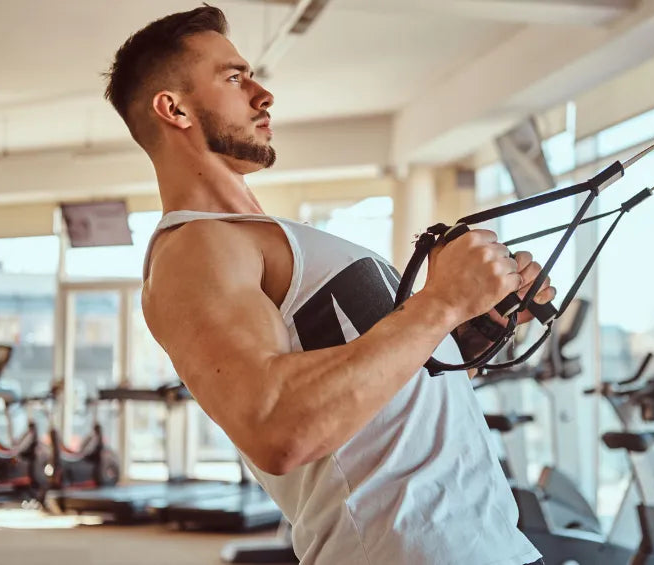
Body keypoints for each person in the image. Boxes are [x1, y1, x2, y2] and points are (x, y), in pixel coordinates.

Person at [107, 6, 554, 564]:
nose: (262, 94)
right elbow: (275, 427)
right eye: (233, 77)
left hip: (487, 541)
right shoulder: (195, 248)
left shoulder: (270, 238)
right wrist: (441, 302)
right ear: (173, 109)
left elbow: (387, 389)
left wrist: (475, 322)